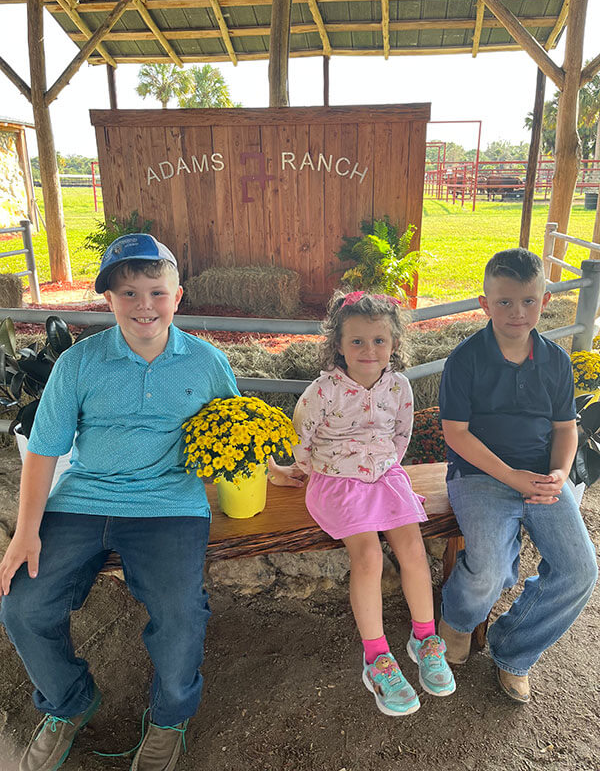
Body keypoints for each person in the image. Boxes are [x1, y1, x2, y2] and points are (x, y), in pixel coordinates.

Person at [0, 233, 240, 771]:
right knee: (21, 604)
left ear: (177, 297)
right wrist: (26, 530)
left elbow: (238, 427)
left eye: (156, 292)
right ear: (108, 299)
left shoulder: (206, 362)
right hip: (83, 498)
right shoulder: (78, 363)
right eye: (128, 293)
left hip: (169, 504)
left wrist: (274, 468)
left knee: (181, 613)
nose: (143, 305)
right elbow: (44, 449)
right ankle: (69, 701)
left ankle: (170, 716)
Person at [269, 290, 456, 717]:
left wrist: (386, 469)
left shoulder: (399, 386)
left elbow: (401, 436)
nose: (368, 350)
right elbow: (301, 437)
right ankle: (377, 659)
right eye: (357, 341)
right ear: (338, 344)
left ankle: (425, 639)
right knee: (369, 556)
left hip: (386, 478)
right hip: (337, 482)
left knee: (413, 550)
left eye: (379, 340)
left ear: (394, 344)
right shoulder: (323, 391)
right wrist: (304, 470)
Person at [438, 248, 598, 703]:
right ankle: (458, 621)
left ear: (544, 301)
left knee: (580, 570)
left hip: (541, 476)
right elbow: (456, 433)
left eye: (528, 301)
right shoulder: (465, 360)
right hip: (480, 474)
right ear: (484, 304)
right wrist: (512, 476)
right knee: (489, 567)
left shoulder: (556, 361)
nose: (517, 312)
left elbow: (565, 429)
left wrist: (558, 474)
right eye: (504, 301)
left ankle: (514, 649)